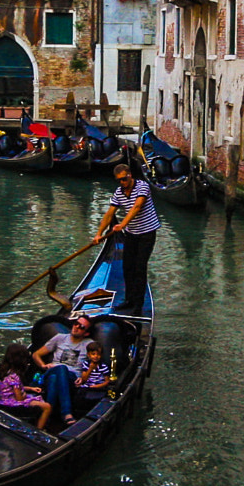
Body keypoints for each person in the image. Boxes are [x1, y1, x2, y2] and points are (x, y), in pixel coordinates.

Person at [95, 163, 160, 318]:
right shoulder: (119, 192)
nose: (122, 183)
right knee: (127, 267)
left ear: (130, 175)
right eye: (119, 180)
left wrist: (122, 224)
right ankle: (129, 300)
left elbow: (137, 207)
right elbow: (109, 214)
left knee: (139, 268)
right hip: (131, 234)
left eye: (124, 179)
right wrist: (99, 234)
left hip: (147, 233)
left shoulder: (142, 186)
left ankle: (138, 305)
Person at [32, 314, 95, 420]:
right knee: (61, 369)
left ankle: (47, 416)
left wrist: (83, 377)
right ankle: (66, 412)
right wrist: (43, 365)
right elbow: (35, 354)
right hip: (52, 370)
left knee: (54, 378)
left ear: (86, 333)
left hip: (72, 378)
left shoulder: (90, 345)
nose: (77, 327)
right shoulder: (60, 338)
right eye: (76, 324)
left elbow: (94, 365)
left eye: (82, 327)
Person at [0, 344, 55, 435]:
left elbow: (13, 388)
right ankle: (38, 431)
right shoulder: (14, 376)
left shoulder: (5, 371)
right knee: (47, 407)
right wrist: (24, 394)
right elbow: (19, 398)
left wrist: (31, 388)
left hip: (4, 400)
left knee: (37, 398)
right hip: (12, 403)